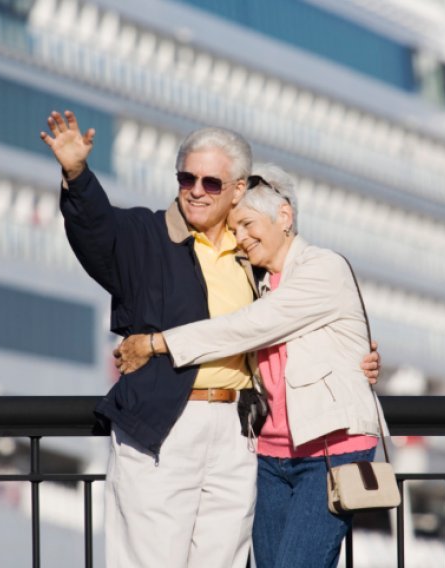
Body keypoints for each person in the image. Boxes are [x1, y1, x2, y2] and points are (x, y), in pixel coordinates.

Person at [40, 111, 380, 568]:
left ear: (238, 190)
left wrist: (358, 358)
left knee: (223, 559)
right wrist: (77, 175)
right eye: (187, 178)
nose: (197, 190)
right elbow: (97, 232)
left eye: (212, 183)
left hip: (239, 436)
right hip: (166, 425)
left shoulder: (256, 260)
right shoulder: (147, 235)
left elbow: (273, 326)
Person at [115, 163, 386, 568]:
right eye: (234, 229)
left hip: (329, 453)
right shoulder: (257, 284)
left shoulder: (322, 268)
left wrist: (158, 343)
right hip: (269, 457)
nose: (240, 238)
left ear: (285, 216)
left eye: (246, 224)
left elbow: (245, 329)